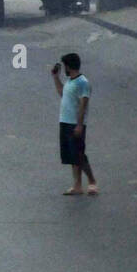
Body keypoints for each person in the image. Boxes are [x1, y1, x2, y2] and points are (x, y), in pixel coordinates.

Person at [52, 52, 97, 196]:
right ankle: (77, 185)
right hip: (64, 122)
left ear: (69, 66)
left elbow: (84, 105)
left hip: (74, 124)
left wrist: (79, 124)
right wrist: (55, 78)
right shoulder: (70, 82)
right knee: (72, 156)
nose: (64, 68)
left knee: (79, 155)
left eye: (65, 65)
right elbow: (62, 93)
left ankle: (92, 182)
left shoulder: (83, 82)